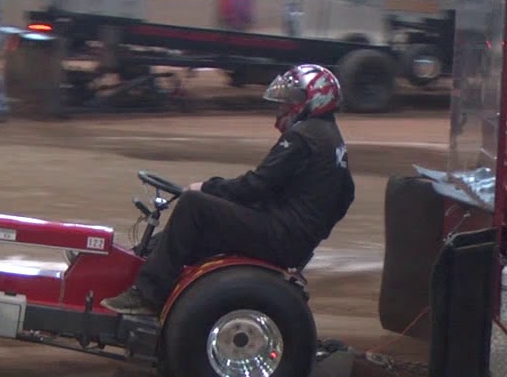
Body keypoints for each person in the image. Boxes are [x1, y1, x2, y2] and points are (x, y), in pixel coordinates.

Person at [102, 64, 356, 315]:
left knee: (194, 205)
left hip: (282, 236)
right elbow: (346, 196)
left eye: (288, 103)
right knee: (201, 220)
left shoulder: (302, 136)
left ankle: (147, 295)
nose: (282, 110)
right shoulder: (333, 139)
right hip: (293, 239)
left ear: (314, 99)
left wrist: (206, 187)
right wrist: (309, 235)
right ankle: (137, 264)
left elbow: (256, 185)